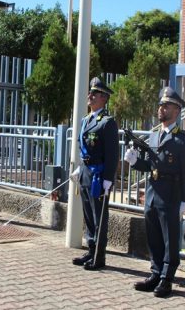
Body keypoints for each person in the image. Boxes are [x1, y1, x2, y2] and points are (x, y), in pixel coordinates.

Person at [124, 87, 185, 298]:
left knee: (170, 240)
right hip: (153, 194)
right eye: (160, 105)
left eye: (166, 105)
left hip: (171, 195)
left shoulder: (184, 139)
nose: (161, 109)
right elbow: (151, 166)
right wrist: (135, 162)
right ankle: (155, 273)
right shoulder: (154, 136)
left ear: (177, 110)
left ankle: (167, 278)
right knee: (153, 236)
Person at [69, 77, 119, 271]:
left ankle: (99, 256)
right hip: (86, 173)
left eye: (94, 94)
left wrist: (108, 179)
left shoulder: (107, 122)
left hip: (99, 175)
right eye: (90, 93)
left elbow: (113, 154)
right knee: (88, 215)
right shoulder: (85, 120)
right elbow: (83, 148)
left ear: (104, 98)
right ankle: (91, 249)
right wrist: (80, 168)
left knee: (99, 217)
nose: (90, 96)